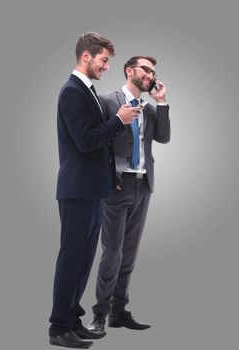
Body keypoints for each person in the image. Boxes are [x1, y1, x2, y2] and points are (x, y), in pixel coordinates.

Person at [49, 33, 142, 349]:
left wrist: (109, 179)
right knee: (71, 259)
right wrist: (118, 119)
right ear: (86, 57)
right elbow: (86, 140)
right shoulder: (72, 92)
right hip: (76, 191)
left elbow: (96, 146)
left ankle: (73, 320)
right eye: (103, 60)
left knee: (85, 259)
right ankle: (58, 327)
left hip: (94, 189)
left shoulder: (87, 91)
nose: (106, 66)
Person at [88, 56, 170, 336]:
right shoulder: (107, 101)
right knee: (112, 252)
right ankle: (99, 313)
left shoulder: (148, 108)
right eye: (146, 69)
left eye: (153, 71)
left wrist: (161, 102)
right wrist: (107, 177)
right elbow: (95, 141)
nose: (150, 74)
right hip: (116, 186)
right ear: (129, 70)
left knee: (130, 254)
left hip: (143, 186)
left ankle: (119, 312)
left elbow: (164, 137)